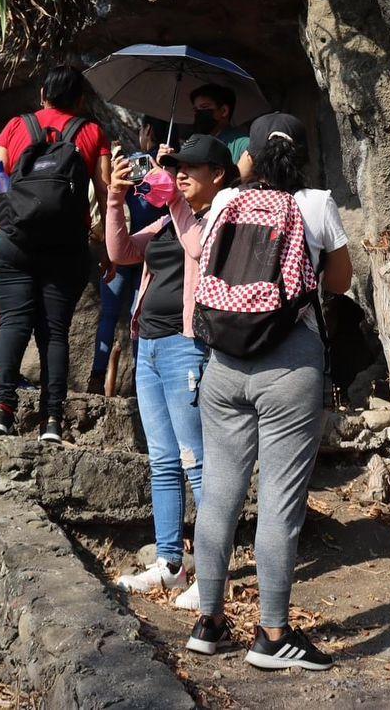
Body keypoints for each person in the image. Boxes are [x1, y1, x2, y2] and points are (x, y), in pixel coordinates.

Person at [186, 113, 351, 672]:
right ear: (300, 157)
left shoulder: (225, 202)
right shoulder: (316, 204)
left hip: (223, 364)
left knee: (218, 494)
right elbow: (339, 282)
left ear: (249, 157)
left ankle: (209, 622)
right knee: (280, 500)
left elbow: (204, 265)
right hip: (289, 363)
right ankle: (273, 634)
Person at [108, 134, 237, 610]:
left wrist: (175, 201)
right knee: (162, 460)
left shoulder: (219, 217)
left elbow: (199, 249)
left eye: (189, 168)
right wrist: (116, 196)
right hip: (148, 346)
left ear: (216, 175)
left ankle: (214, 571)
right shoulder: (166, 220)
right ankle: (170, 563)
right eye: (175, 167)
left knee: (195, 460)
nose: (179, 174)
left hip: (186, 348)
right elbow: (121, 251)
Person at [0, 65, 111, 441]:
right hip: (67, 246)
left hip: (13, 239)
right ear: (80, 100)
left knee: (13, 323)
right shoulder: (92, 132)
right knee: (54, 332)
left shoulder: (17, 126)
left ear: (43, 95)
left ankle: (1, 410)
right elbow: (105, 191)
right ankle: (51, 420)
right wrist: (109, 246)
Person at [92, 120, 167, 394]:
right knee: (139, 316)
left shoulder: (137, 161)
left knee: (109, 315)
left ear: (147, 131)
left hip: (121, 247)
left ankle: (97, 377)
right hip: (151, 252)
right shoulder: (174, 170)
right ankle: (139, 381)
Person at [188, 83, 250, 178]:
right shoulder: (193, 143)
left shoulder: (243, 144)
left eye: (204, 107)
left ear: (224, 111)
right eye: (196, 110)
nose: (199, 113)